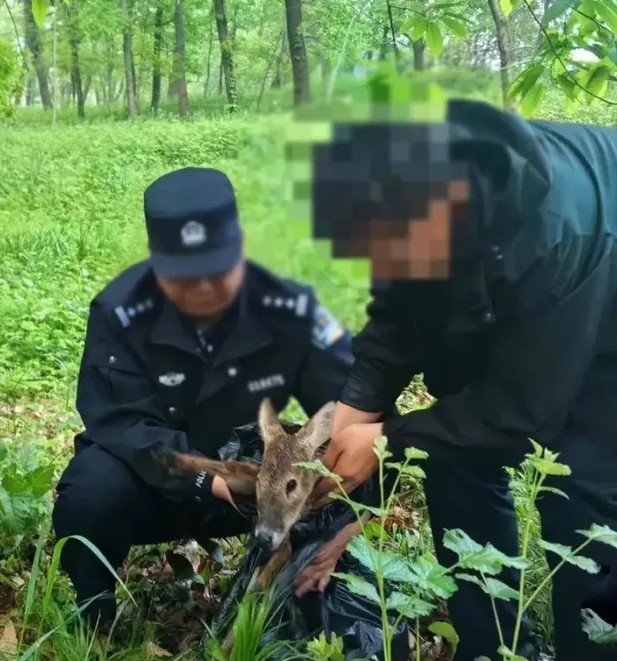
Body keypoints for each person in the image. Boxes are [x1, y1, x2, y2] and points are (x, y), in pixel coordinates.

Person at [307, 98, 617, 660]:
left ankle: (603, 653)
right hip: (578, 277)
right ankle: (491, 646)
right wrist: (356, 408)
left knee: (585, 479)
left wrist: (384, 442)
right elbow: (401, 311)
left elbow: (524, 409)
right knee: (450, 452)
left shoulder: (554, 228)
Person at [51, 166, 381, 631]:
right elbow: (121, 423)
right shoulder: (120, 309)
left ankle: (309, 605)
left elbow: (358, 403)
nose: (204, 288)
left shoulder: (288, 309)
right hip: (155, 481)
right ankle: (95, 618)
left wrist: (342, 501)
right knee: (89, 493)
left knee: (348, 459)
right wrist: (207, 480)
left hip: (256, 492)